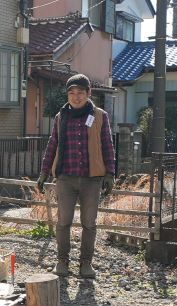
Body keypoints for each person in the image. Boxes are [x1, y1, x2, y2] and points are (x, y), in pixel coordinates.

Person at [36, 73, 116, 279]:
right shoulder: (61, 117)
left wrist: (110, 173)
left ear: (89, 93)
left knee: (89, 222)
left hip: (92, 179)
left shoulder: (100, 116)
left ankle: (86, 263)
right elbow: (52, 145)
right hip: (66, 178)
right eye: (72, 93)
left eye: (81, 92)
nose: (76, 96)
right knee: (64, 221)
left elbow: (107, 144)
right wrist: (44, 172)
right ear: (67, 95)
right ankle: (62, 260)